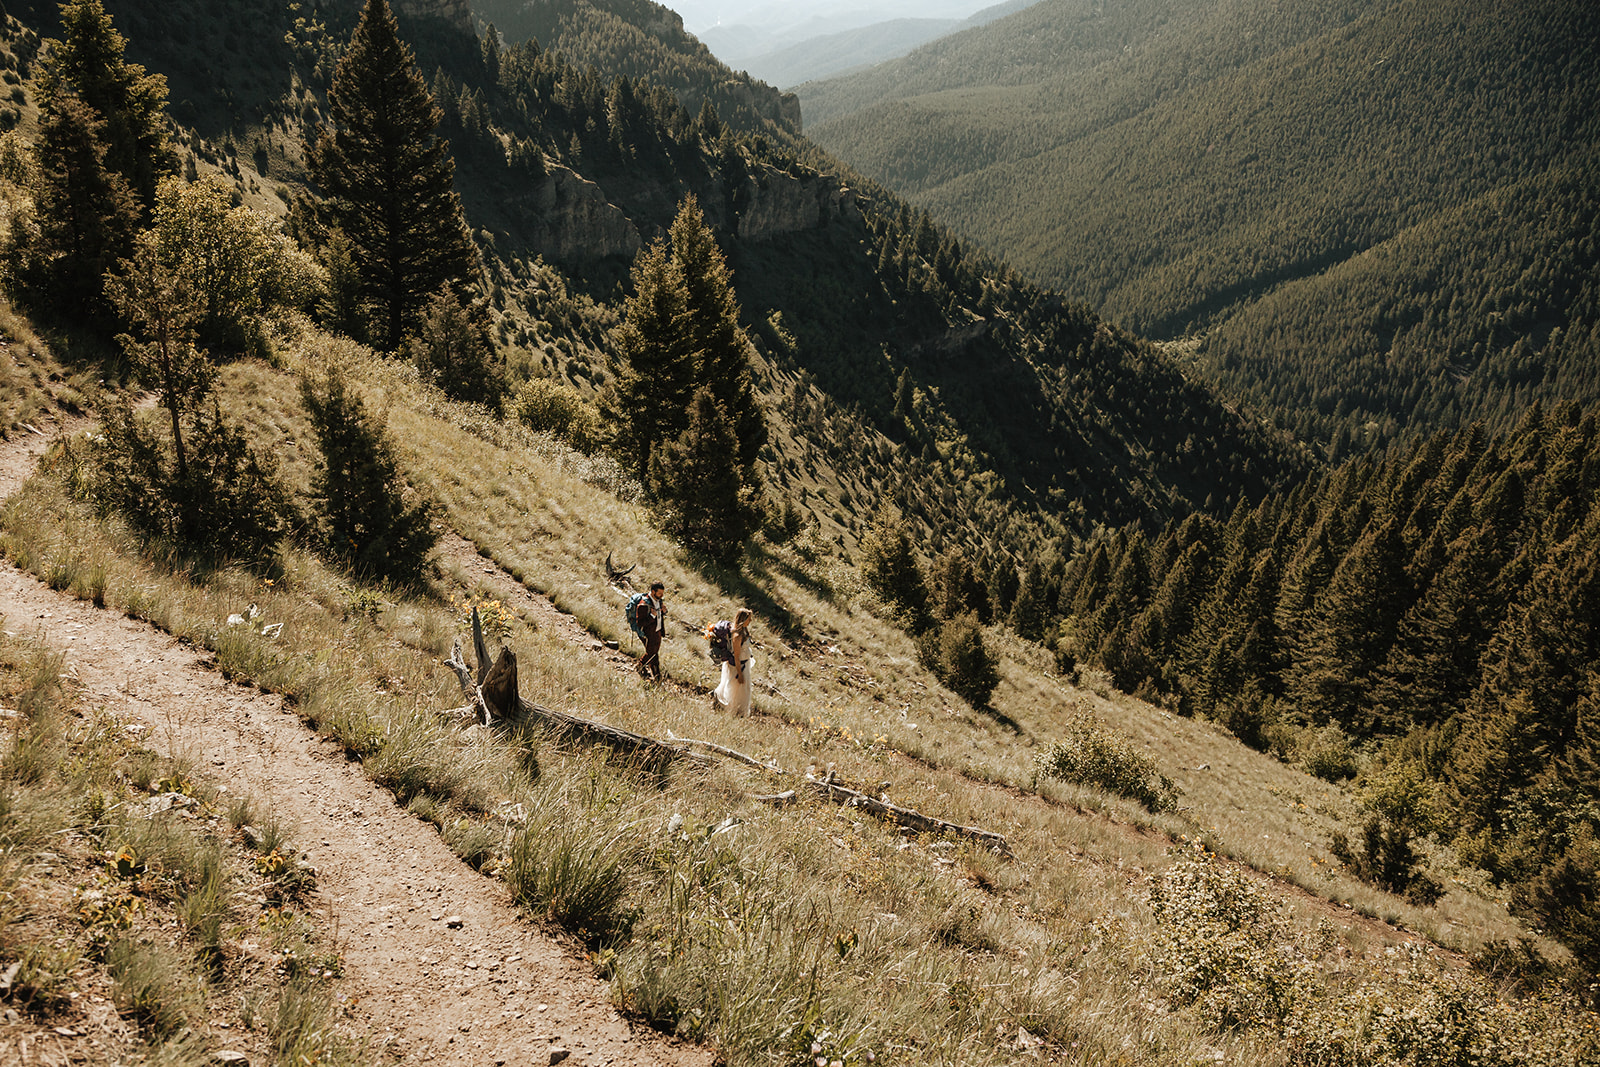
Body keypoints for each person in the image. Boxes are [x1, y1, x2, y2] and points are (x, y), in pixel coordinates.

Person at [713, 608, 755, 716]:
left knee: (743, 691)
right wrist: (739, 674)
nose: (750, 621)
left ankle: (738, 712)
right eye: (748, 619)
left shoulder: (744, 631)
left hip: (744, 664)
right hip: (738, 667)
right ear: (743, 619)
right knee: (736, 691)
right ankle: (733, 711)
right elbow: (736, 656)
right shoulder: (737, 635)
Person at [636, 581, 667, 681]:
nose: (661, 596)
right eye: (659, 593)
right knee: (652, 654)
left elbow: (660, 615)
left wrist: (664, 612)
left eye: (662, 593)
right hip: (647, 634)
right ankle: (656, 676)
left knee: (654, 653)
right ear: (653, 592)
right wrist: (651, 616)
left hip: (657, 632)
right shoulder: (643, 605)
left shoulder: (659, 601)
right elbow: (640, 623)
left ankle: (644, 667)